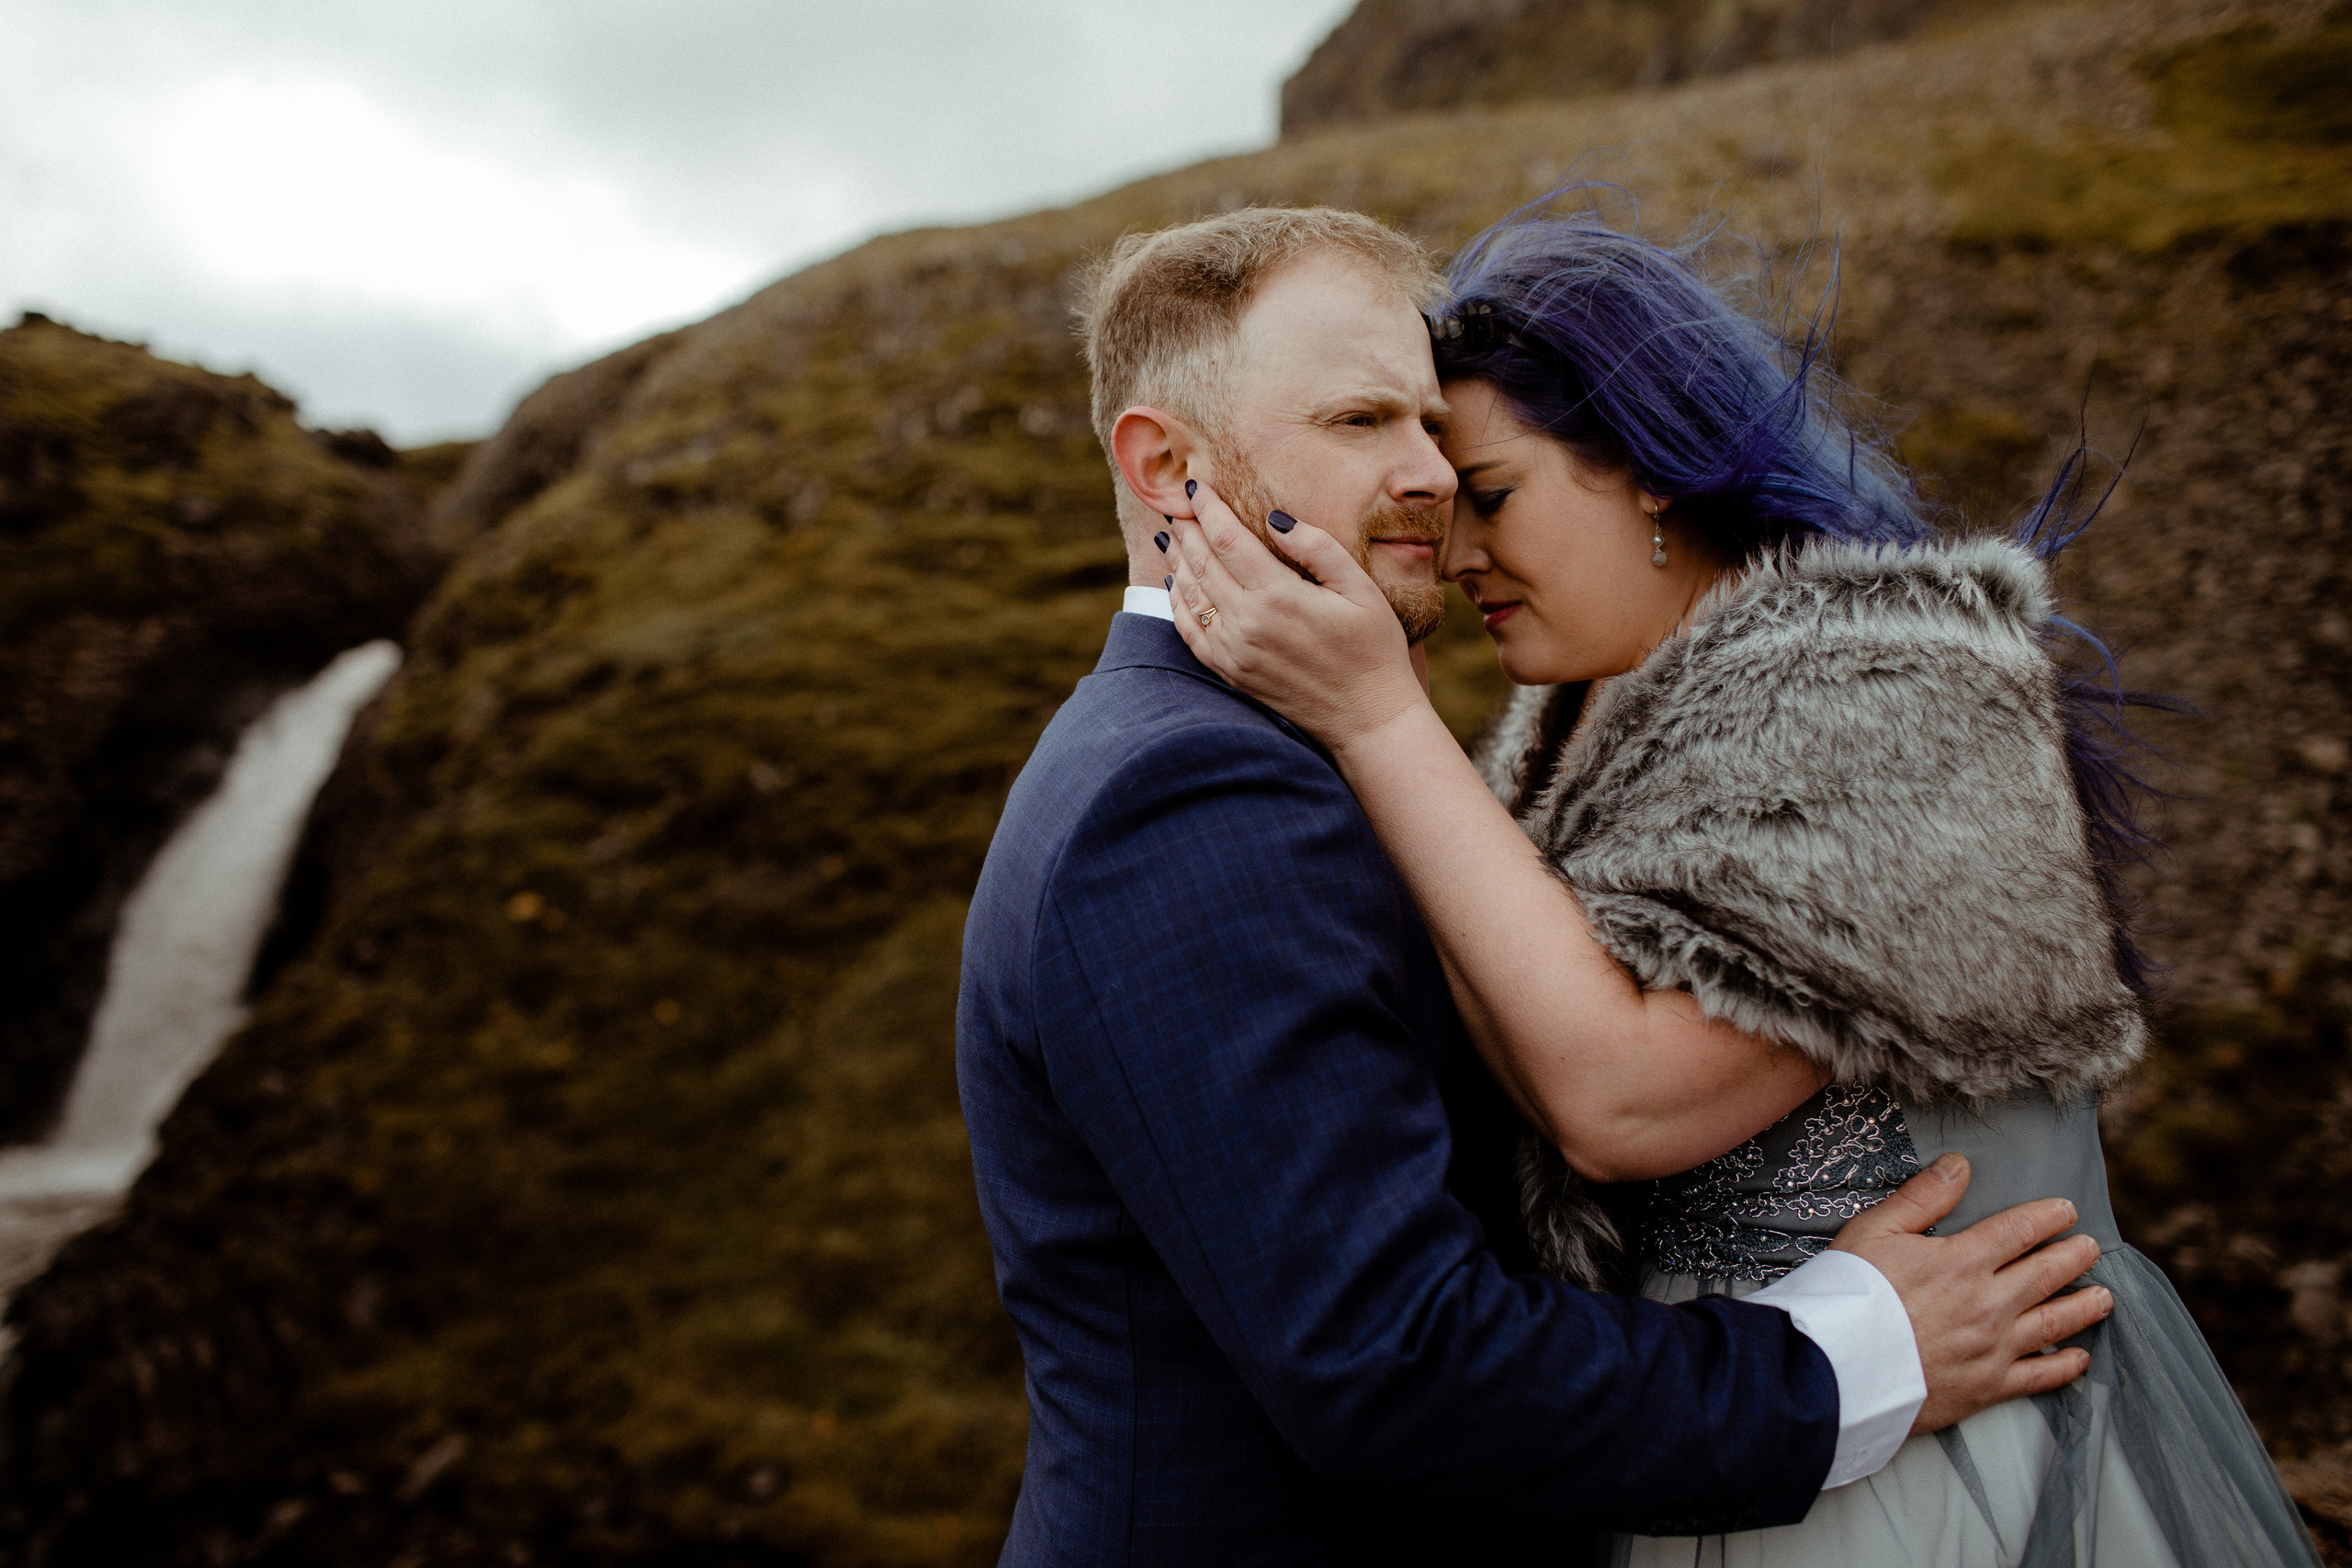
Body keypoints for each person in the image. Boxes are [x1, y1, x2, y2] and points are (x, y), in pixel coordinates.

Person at [956, 205, 2121, 1567]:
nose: (1433, 484)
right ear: (1166, 466)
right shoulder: (1188, 800)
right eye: (1359, 423)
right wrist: (1858, 1355)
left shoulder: (1286, 747)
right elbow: (1391, 1357)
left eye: (1442, 442)